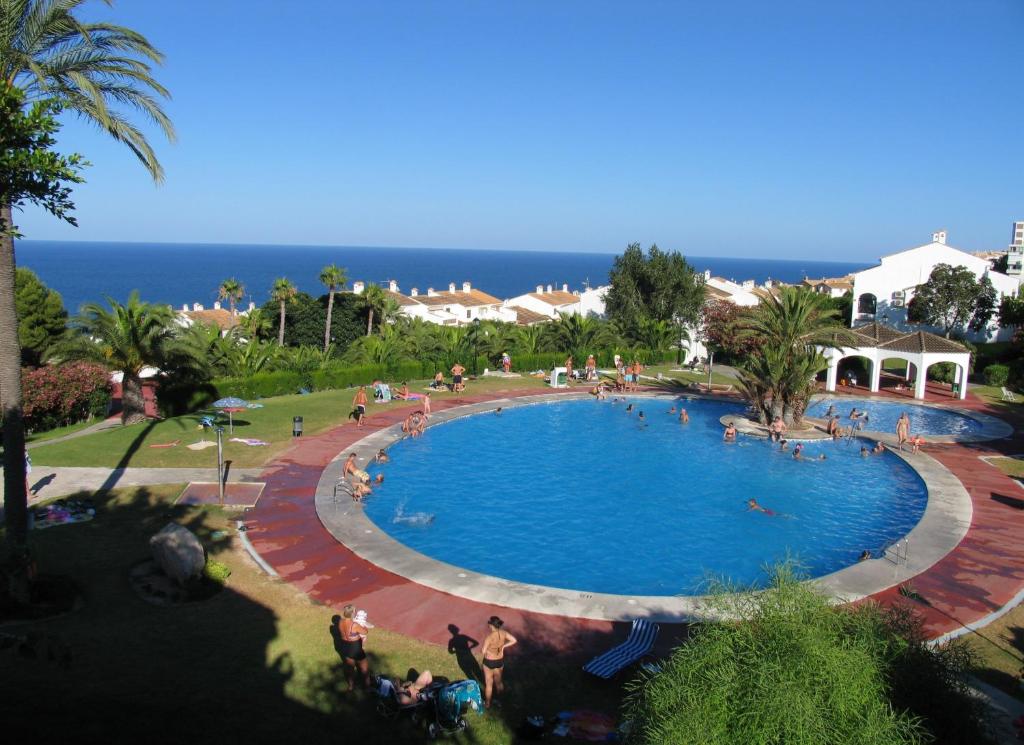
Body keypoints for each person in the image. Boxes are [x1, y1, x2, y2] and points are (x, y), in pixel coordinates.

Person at [481, 616, 517, 709]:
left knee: (489, 683)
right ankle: (501, 701)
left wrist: (488, 651)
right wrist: (504, 646)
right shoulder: (504, 633)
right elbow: (514, 640)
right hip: (499, 660)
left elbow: (483, 651)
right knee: (499, 682)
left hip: (489, 661)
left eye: (489, 623)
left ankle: (487, 703)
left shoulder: (489, 637)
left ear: (491, 625)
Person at [337, 605, 371, 690]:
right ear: (353, 613)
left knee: (350, 667)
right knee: (364, 667)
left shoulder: (340, 622)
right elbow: (365, 631)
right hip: (355, 647)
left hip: (345, 646)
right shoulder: (354, 625)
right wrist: (363, 624)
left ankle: (351, 686)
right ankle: (368, 686)